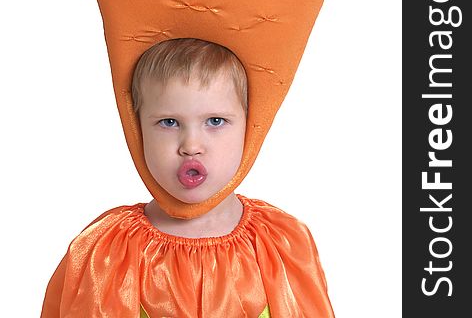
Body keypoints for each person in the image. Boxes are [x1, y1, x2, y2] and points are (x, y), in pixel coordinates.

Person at [41, 38, 335, 318]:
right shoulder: (103, 253)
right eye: (169, 122)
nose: (191, 145)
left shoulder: (284, 244)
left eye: (215, 121)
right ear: (137, 130)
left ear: (250, 127)